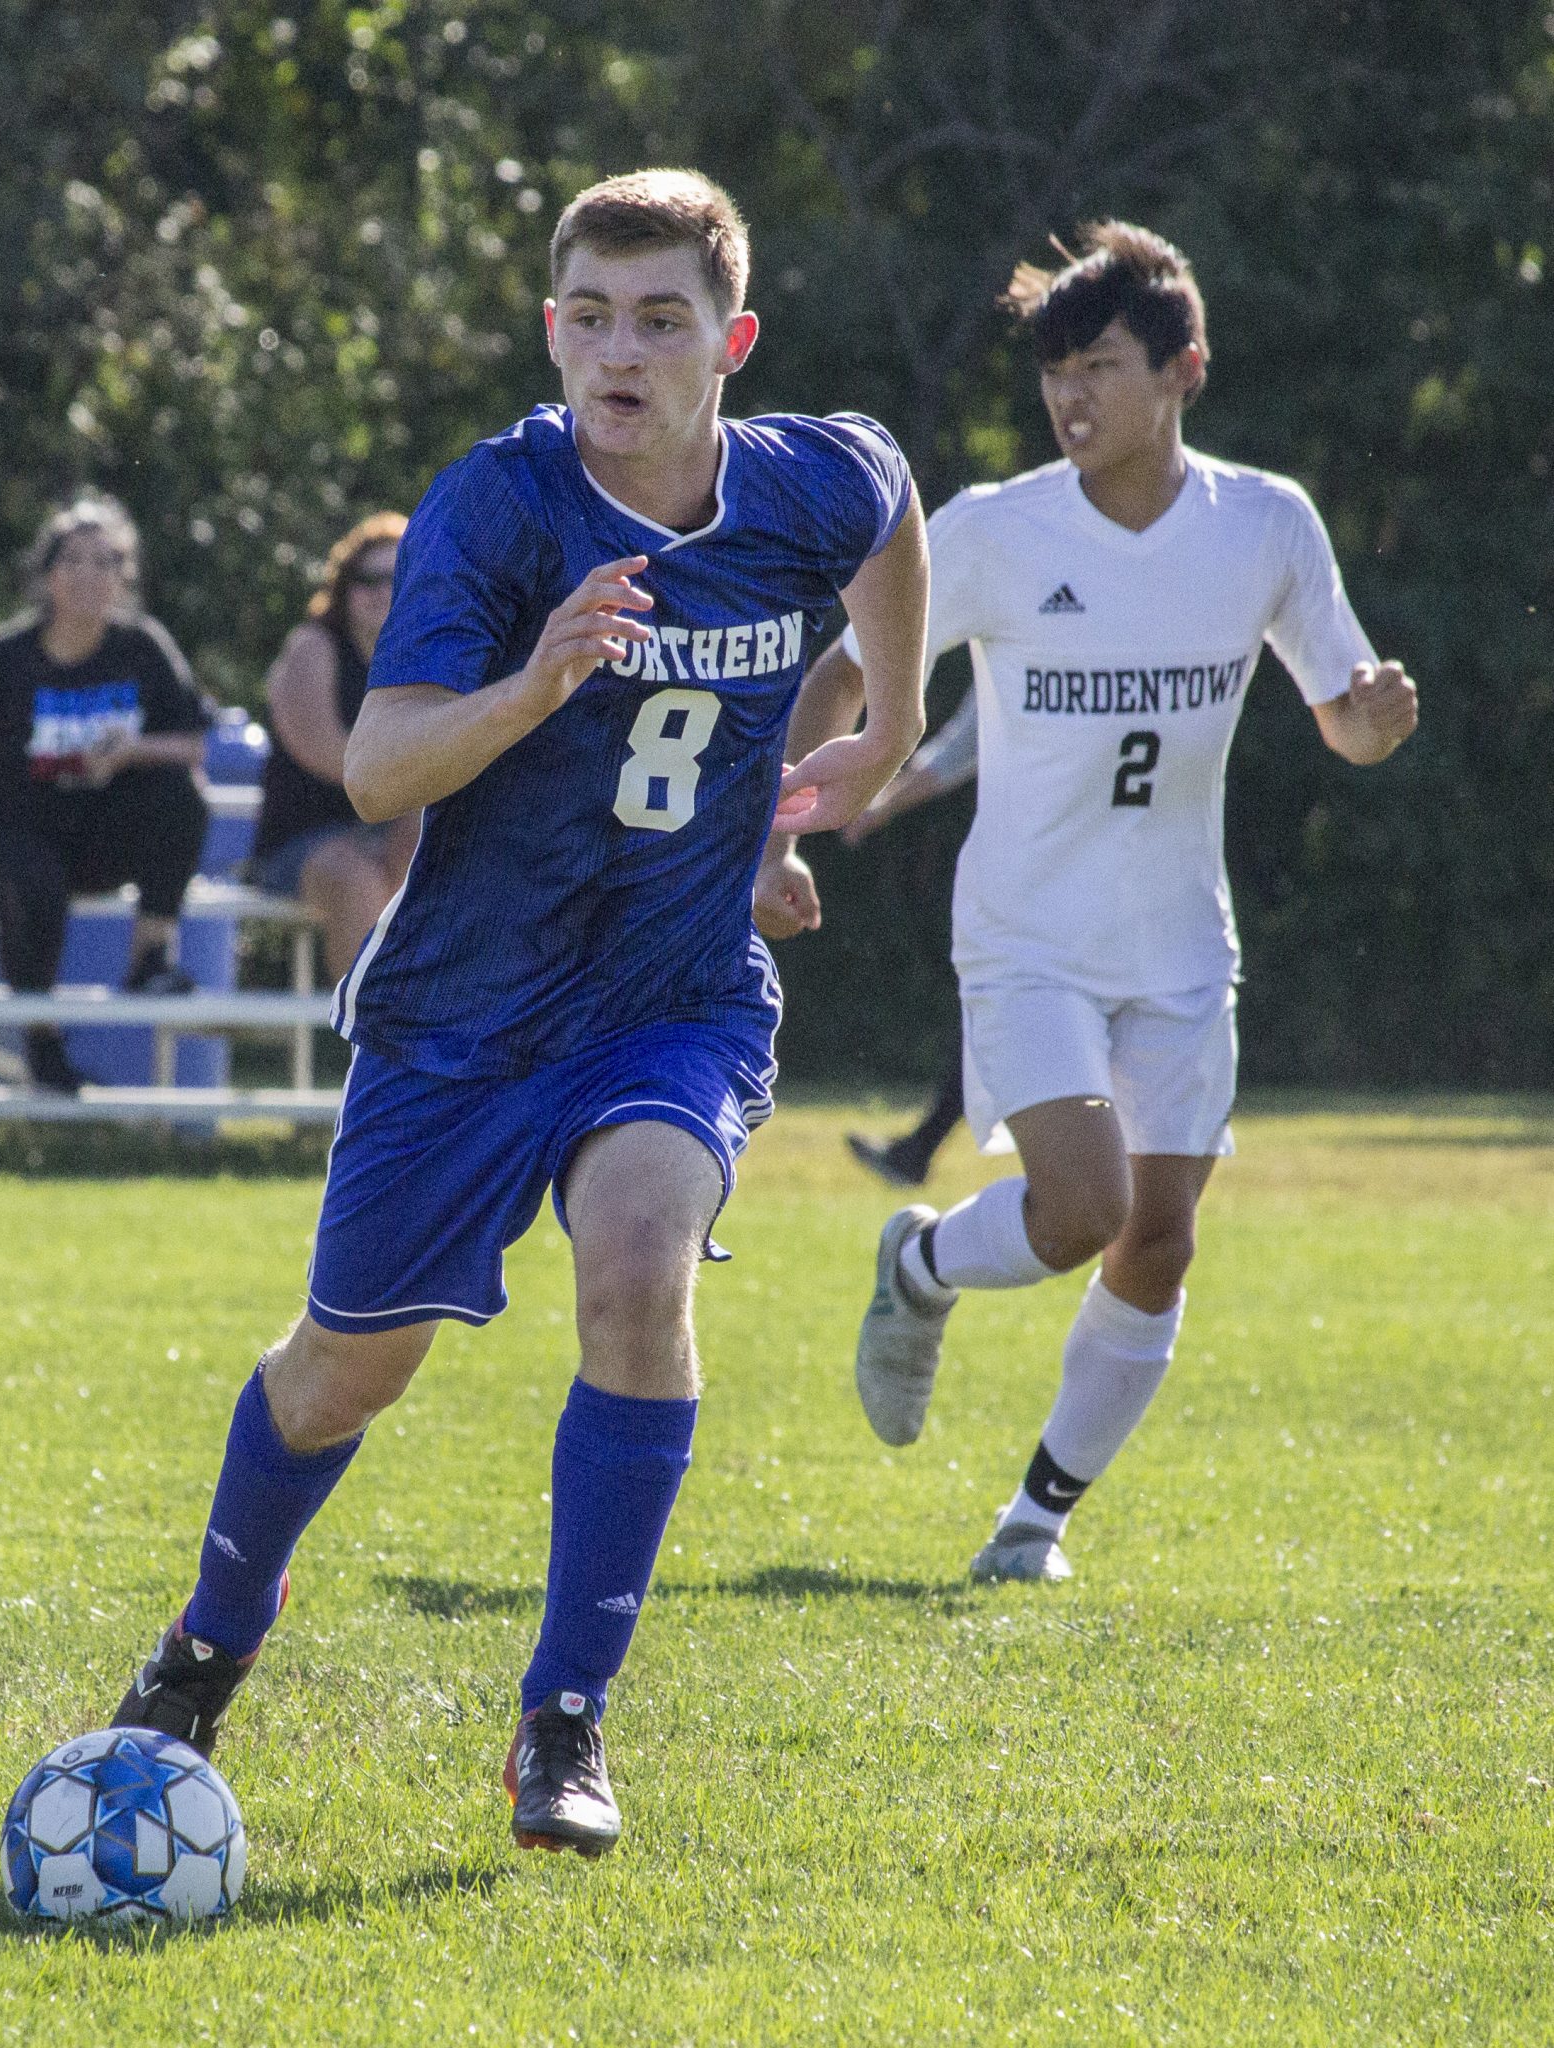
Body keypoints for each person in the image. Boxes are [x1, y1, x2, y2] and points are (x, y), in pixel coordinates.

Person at [109, 168, 928, 1856]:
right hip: (463, 1018)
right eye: (587, 315)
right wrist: (537, 681)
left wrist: (890, 719)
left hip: (672, 999)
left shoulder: (807, 480)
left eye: (659, 318)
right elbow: (379, 761)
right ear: (552, 324)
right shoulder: (497, 507)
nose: (617, 352)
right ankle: (206, 1643)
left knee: (637, 1266)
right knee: (349, 1370)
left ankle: (565, 1720)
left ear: (732, 341)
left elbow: (897, 507)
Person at [757, 222, 1417, 1585]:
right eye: (1054, 372)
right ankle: (923, 1266)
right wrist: (783, 831)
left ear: (1181, 370)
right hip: (1025, 936)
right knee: (1082, 1209)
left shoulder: (1262, 526)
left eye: (1099, 368)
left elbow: (1342, 721)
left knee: (1157, 1242)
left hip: (1178, 943)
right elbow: (840, 677)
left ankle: (1033, 1522)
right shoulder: (995, 531)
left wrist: (1375, 725)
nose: (1069, 399)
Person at [0, 497, 212, 1093]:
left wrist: (128, 752)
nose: (93, 575)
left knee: (181, 795)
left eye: (108, 561)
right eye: (77, 560)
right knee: (33, 881)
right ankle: (41, 1044)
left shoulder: (143, 648)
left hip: (92, 837)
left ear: (125, 575)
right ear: (48, 576)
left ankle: (149, 958)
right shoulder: (2, 659)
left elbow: (192, 745)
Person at [250, 513, 422, 979]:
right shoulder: (312, 647)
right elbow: (331, 756)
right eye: (367, 579)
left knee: (448, 852)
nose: (381, 591)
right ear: (343, 587)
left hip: (393, 833)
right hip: (305, 842)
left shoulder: (428, 656)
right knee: (357, 877)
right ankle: (366, 1041)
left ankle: (429, 1026)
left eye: (397, 577)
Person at [837, 684, 979, 1187]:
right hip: (1043, 883)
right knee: (989, 1019)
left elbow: (962, 747)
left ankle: (917, 1156)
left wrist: (883, 802)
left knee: (997, 1021)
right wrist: (883, 801)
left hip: (1061, 887)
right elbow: (964, 744)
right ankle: (917, 1151)